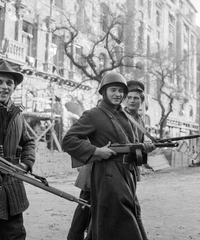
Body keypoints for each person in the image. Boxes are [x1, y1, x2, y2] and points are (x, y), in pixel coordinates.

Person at [62, 72, 155, 240]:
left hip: (127, 174)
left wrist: (144, 148)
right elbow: (69, 140)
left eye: (121, 91)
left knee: (110, 220)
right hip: (107, 174)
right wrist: (95, 151)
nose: (117, 94)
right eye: (113, 90)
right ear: (104, 91)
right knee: (122, 219)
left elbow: (132, 143)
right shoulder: (93, 114)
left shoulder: (126, 116)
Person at [0, 60, 35, 239]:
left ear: (14, 87)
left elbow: (29, 142)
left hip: (11, 188)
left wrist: (25, 164)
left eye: (9, 83)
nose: (4, 87)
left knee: (15, 237)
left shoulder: (17, 114)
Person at [124, 80, 149, 240]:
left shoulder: (140, 120)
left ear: (141, 101)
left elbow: (138, 145)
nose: (133, 101)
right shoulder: (119, 116)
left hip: (129, 168)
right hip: (108, 168)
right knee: (86, 207)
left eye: (136, 98)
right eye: (130, 97)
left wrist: (145, 147)